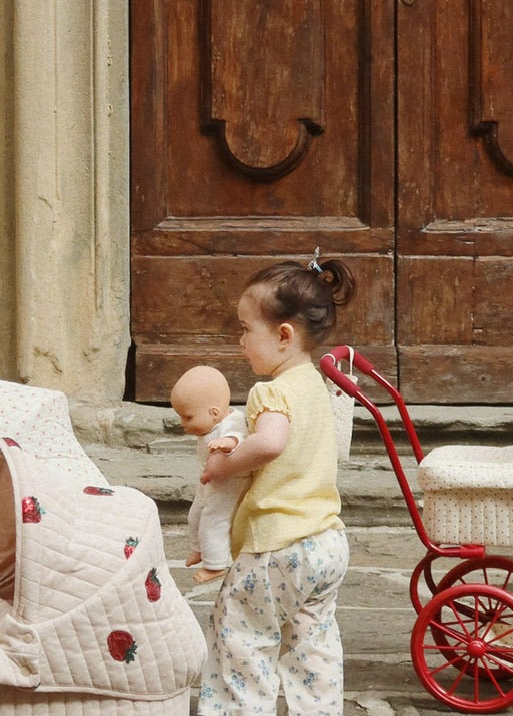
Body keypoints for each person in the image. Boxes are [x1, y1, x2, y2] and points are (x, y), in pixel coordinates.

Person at [195, 252, 356, 716]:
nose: (240, 340)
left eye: (246, 329)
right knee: (314, 643)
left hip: (276, 547)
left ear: (284, 336)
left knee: (241, 637)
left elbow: (269, 445)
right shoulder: (317, 385)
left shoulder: (271, 392)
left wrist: (223, 466)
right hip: (326, 542)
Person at [170, 364, 249, 584]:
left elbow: (239, 437)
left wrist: (227, 442)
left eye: (187, 417)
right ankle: (198, 549)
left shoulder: (232, 421)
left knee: (214, 521)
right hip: (210, 482)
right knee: (195, 514)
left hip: (229, 483)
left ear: (213, 413)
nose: (183, 424)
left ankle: (215, 565)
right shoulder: (210, 423)